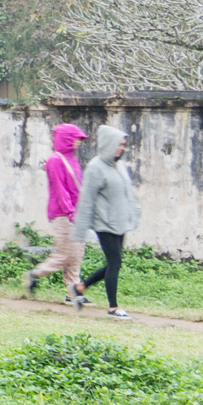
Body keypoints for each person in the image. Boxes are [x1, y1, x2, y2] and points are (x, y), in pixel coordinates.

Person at [74, 122, 140, 317]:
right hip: (105, 224)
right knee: (114, 262)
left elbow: (125, 194)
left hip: (120, 223)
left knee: (115, 263)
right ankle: (112, 307)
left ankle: (80, 288)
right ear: (109, 144)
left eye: (123, 145)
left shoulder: (117, 166)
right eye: (118, 144)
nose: (121, 148)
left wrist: (133, 213)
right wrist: (80, 231)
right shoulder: (95, 168)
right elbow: (86, 200)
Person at [24, 121, 88, 306]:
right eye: (75, 139)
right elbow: (60, 190)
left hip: (77, 212)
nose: (78, 143)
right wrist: (70, 211)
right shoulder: (55, 160)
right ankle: (35, 274)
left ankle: (72, 291)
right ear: (67, 139)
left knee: (77, 252)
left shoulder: (72, 159)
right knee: (66, 252)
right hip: (63, 214)